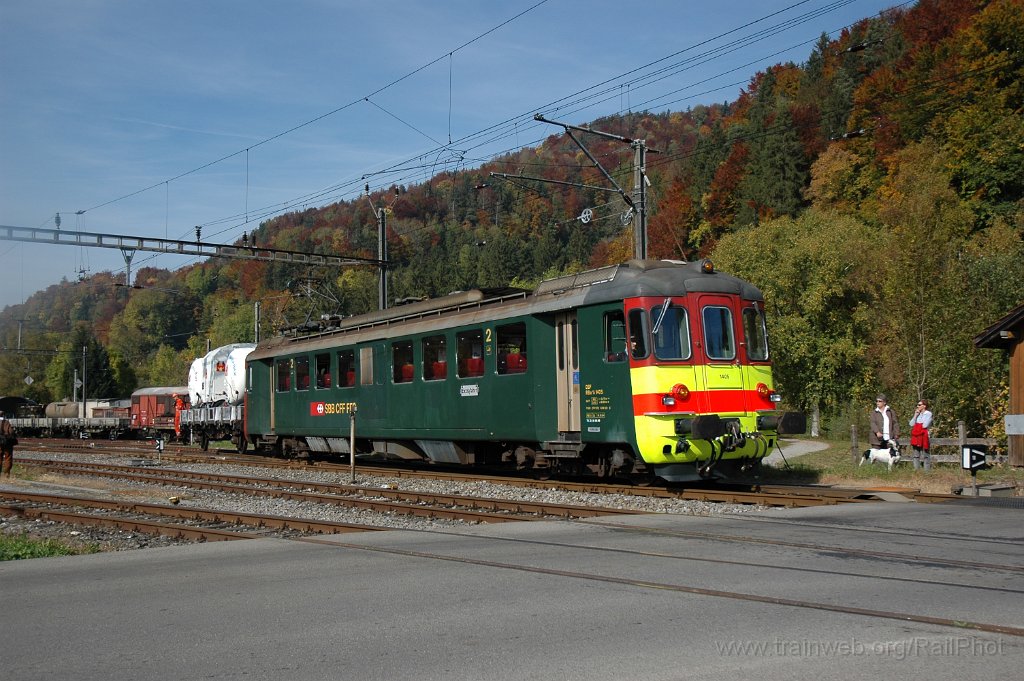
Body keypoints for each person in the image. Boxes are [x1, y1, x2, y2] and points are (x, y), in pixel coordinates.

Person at [908, 398, 933, 471]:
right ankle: (916, 470)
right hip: (916, 436)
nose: (917, 406)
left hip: (924, 436)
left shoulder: (928, 414)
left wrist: (918, 424)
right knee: (916, 454)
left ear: (924, 406)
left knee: (926, 454)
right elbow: (911, 424)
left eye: (919, 405)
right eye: (917, 405)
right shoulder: (917, 414)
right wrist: (915, 415)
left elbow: (925, 425)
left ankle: (927, 471)